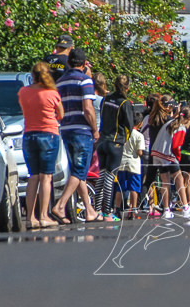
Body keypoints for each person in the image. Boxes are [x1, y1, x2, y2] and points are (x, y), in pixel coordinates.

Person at [50, 48, 101, 223]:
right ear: (84, 63)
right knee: (80, 171)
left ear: (70, 62)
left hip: (66, 129)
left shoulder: (60, 82)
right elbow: (88, 108)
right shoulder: (85, 80)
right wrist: (95, 129)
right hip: (81, 131)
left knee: (77, 172)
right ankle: (60, 205)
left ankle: (89, 210)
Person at [17, 61, 64, 228]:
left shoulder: (23, 92)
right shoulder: (52, 93)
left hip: (29, 135)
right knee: (46, 177)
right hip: (48, 135)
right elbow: (61, 114)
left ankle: (30, 218)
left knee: (33, 176)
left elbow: (25, 109)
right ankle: (43, 216)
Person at [93, 74, 135, 220]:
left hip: (102, 141)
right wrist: (125, 140)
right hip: (115, 143)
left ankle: (97, 211)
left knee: (102, 176)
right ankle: (107, 212)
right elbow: (129, 126)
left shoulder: (106, 99)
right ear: (127, 88)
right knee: (110, 177)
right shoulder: (125, 103)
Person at [150, 105, 190, 218]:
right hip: (169, 155)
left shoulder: (170, 123)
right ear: (189, 118)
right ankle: (186, 207)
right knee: (179, 179)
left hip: (158, 154)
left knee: (165, 181)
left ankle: (166, 209)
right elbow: (177, 145)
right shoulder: (180, 127)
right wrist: (178, 158)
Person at [118, 113, 146, 219]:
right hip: (134, 164)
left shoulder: (123, 133)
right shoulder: (139, 135)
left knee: (120, 188)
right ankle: (133, 209)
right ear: (139, 124)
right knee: (134, 188)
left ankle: (117, 209)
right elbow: (139, 152)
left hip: (122, 163)